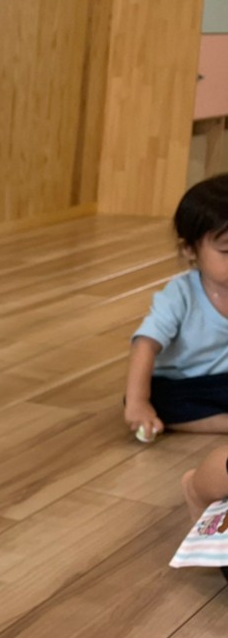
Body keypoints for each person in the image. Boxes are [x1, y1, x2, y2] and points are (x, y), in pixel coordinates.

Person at [125, 175, 228, 441]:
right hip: (182, 385)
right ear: (189, 250)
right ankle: (220, 423)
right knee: (160, 399)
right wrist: (138, 401)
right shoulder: (180, 295)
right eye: (226, 252)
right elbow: (145, 344)